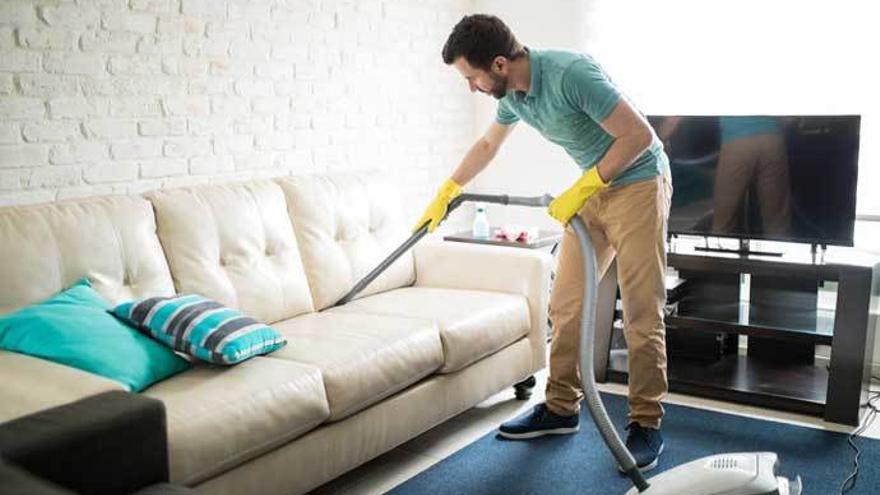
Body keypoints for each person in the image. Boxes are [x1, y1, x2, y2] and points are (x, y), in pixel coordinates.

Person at [413, 14, 673, 471]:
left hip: (639, 182)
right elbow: (488, 146)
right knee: (566, 303)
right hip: (593, 189)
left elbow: (638, 135)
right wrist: (447, 191)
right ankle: (560, 407)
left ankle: (646, 424)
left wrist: (583, 186)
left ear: (497, 63)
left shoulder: (571, 73)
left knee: (639, 311)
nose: (471, 87)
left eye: (471, 77)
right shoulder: (513, 96)